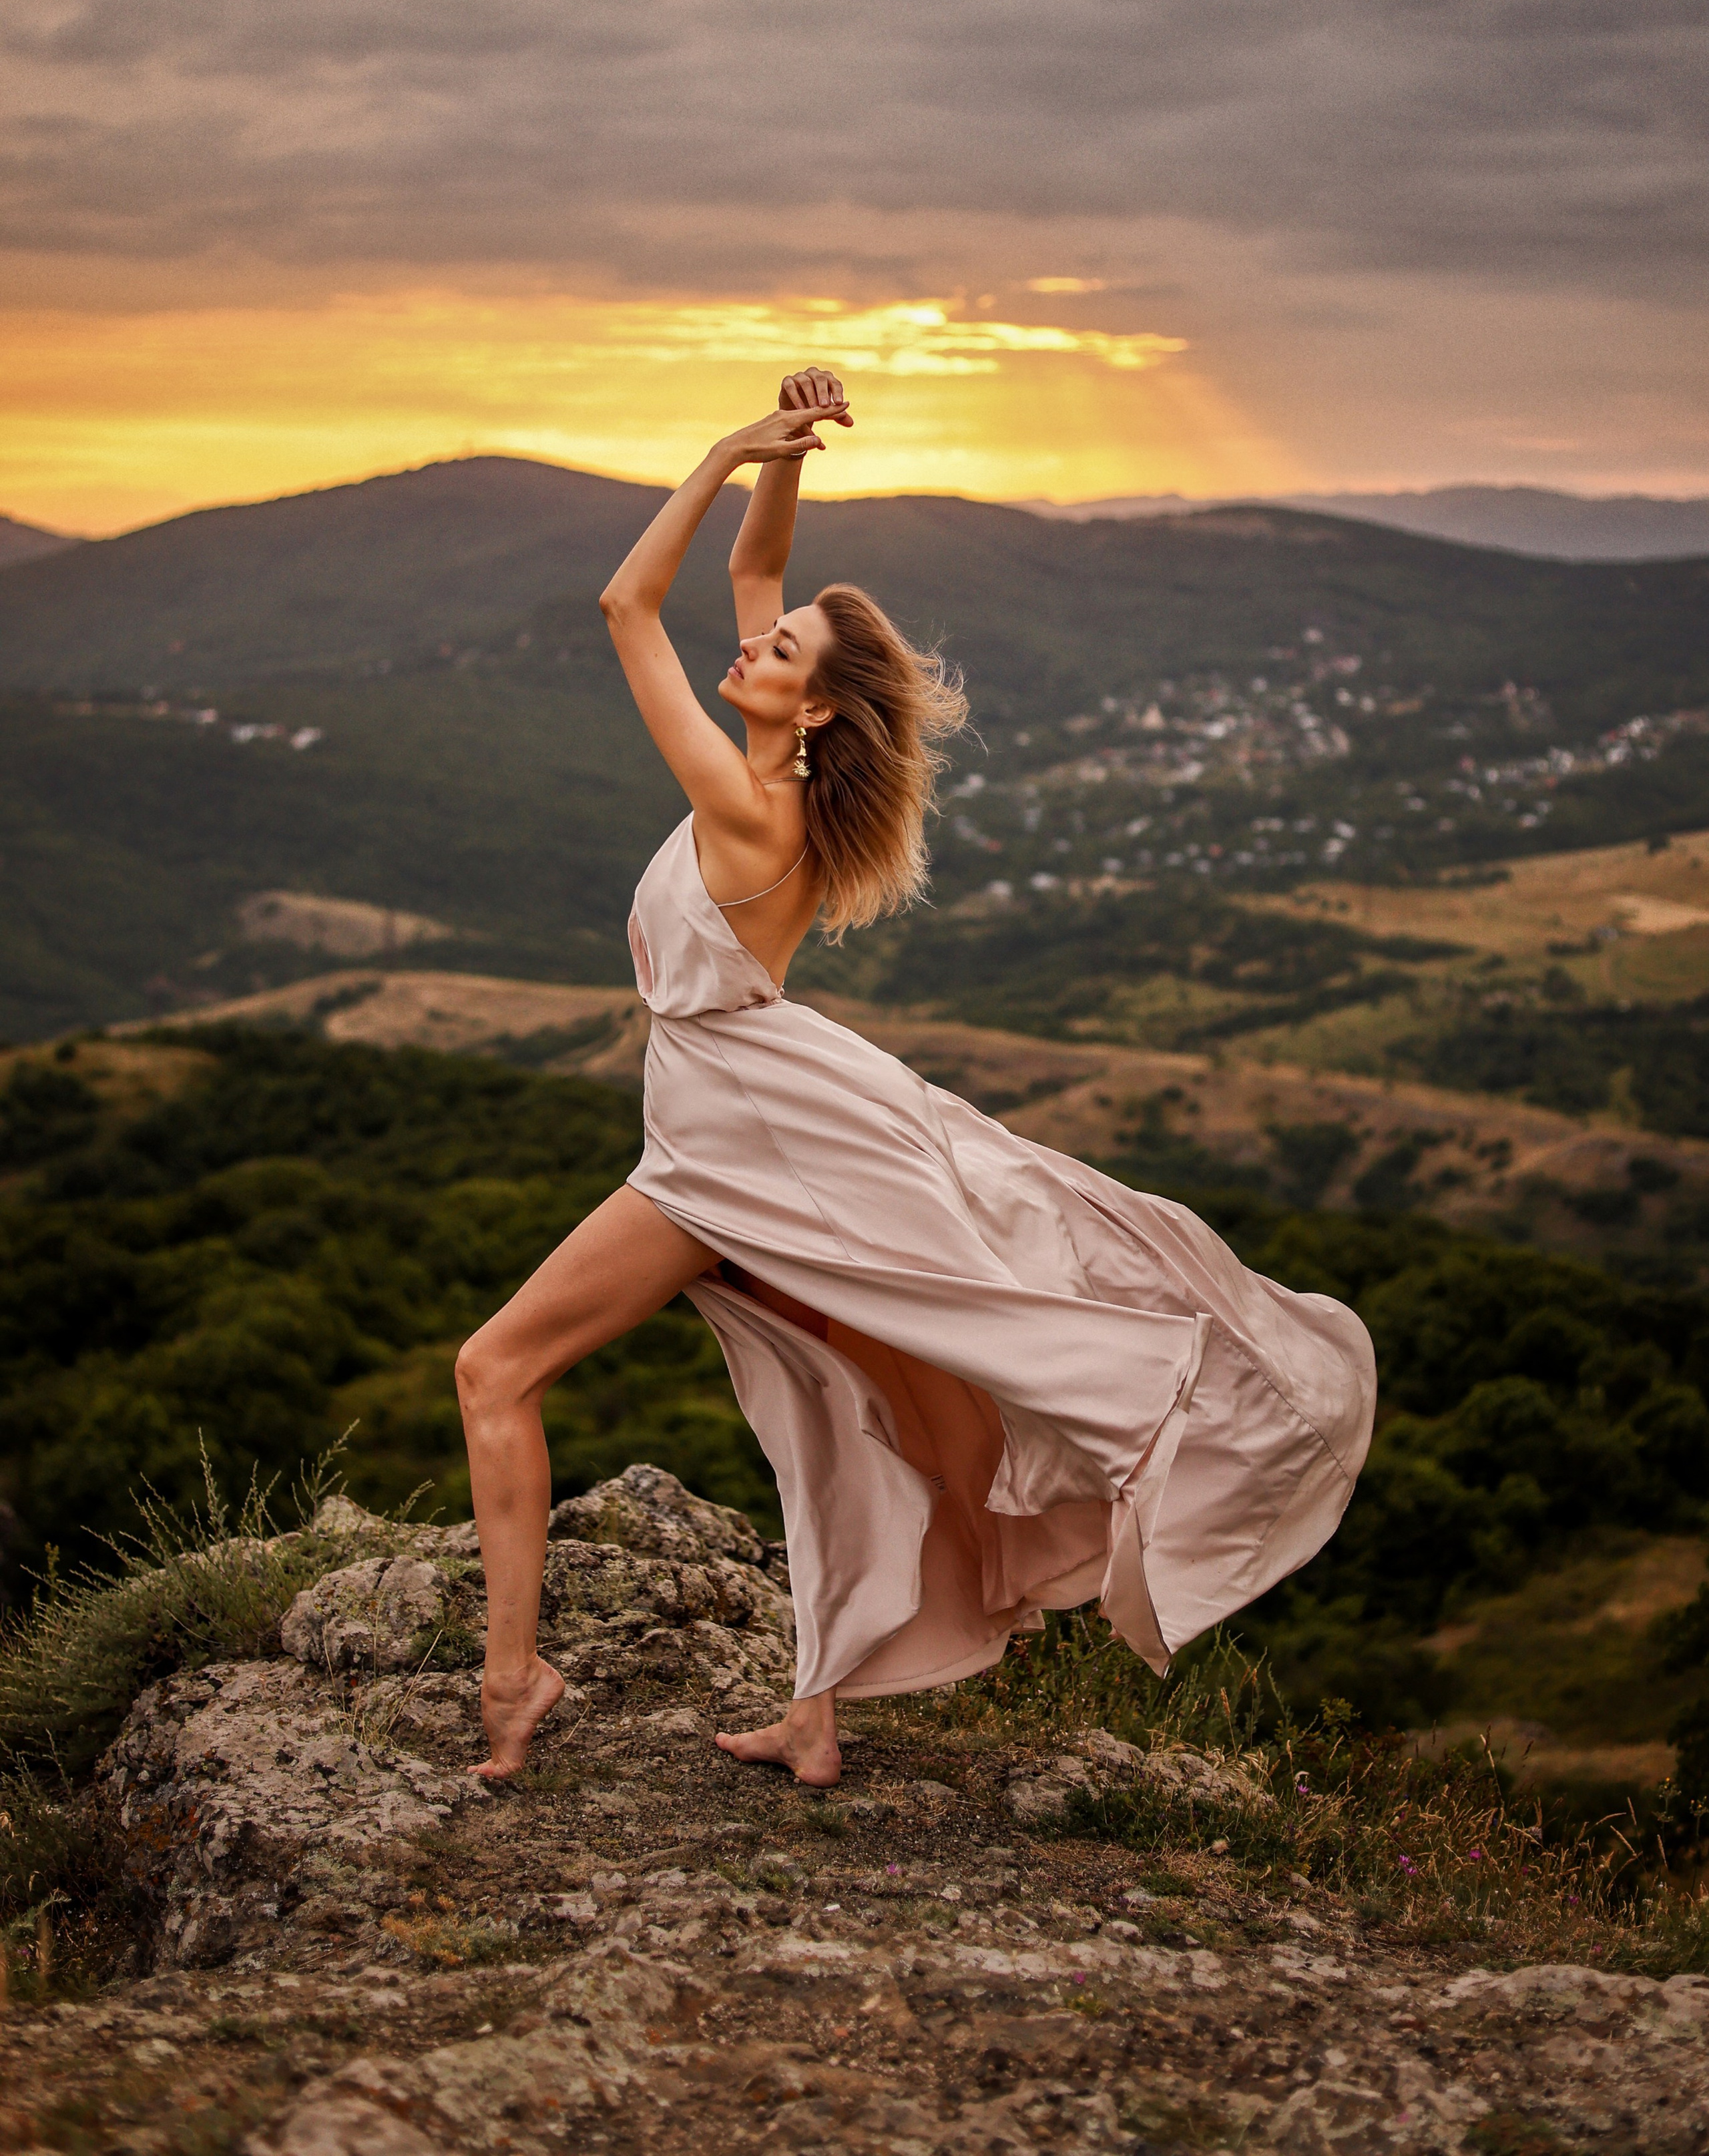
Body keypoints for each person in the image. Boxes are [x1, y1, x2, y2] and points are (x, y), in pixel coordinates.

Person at [455, 368, 1377, 1786]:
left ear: (813, 715)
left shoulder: (747, 809)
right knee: (834, 1401)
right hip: (750, 1116)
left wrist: (710, 453)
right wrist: (783, 455)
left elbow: (621, 607)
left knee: (493, 1367)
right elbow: (758, 571)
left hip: (729, 1147)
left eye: (783, 652)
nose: (755, 641)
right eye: (767, 637)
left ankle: (513, 1679)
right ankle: (814, 1713)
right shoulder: (778, 777)